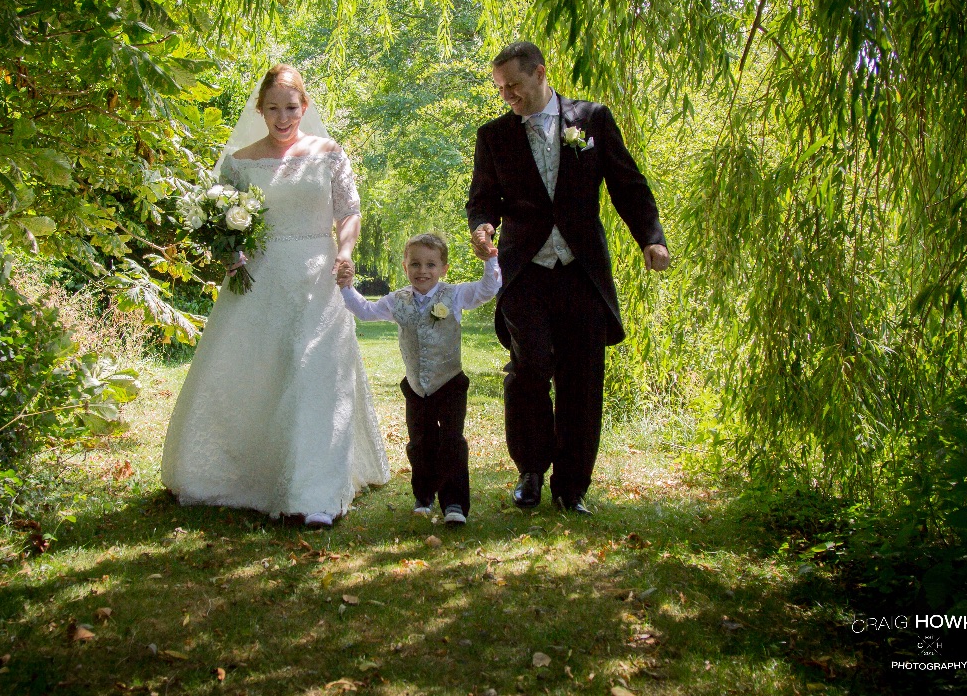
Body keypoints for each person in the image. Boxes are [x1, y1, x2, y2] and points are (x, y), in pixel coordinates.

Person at [161, 64, 389, 528]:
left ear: (304, 107)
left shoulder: (328, 153)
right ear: (260, 109)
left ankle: (316, 491)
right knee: (255, 374)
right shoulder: (241, 162)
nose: (283, 118)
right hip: (257, 279)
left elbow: (349, 211)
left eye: (291, 108)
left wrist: (344, 253)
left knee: (315, 377)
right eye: (273, 109)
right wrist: (229, 252)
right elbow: (219, 217)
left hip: (318, 278)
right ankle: (248, 474)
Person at [465, 41, 670, 515]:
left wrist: (650, 238)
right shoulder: (493, 135)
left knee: (583, 377)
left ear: (540, 73)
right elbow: (483, 197)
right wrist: (482, 226)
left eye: (513, 85)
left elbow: (627, 183)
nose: (507, 96)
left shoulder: (592, 119)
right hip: (525, 271)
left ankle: (572, 486)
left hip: (582, 271)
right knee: (530, 368)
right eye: (500, 89)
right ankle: (531, 471)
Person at [336, 234, 501, 526]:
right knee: (420, 442)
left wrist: (490, 260)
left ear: (443, 269)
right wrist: (346, 287)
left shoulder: (455, 295)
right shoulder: (396, 300)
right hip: (416, 387)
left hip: (450, 382)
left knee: (451, 442)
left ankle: (454, 503)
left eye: (430, 264)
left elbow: (487, 290)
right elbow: (365, 311)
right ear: (405, 267)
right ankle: (423, 496)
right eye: (415, 264)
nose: (422, 271)